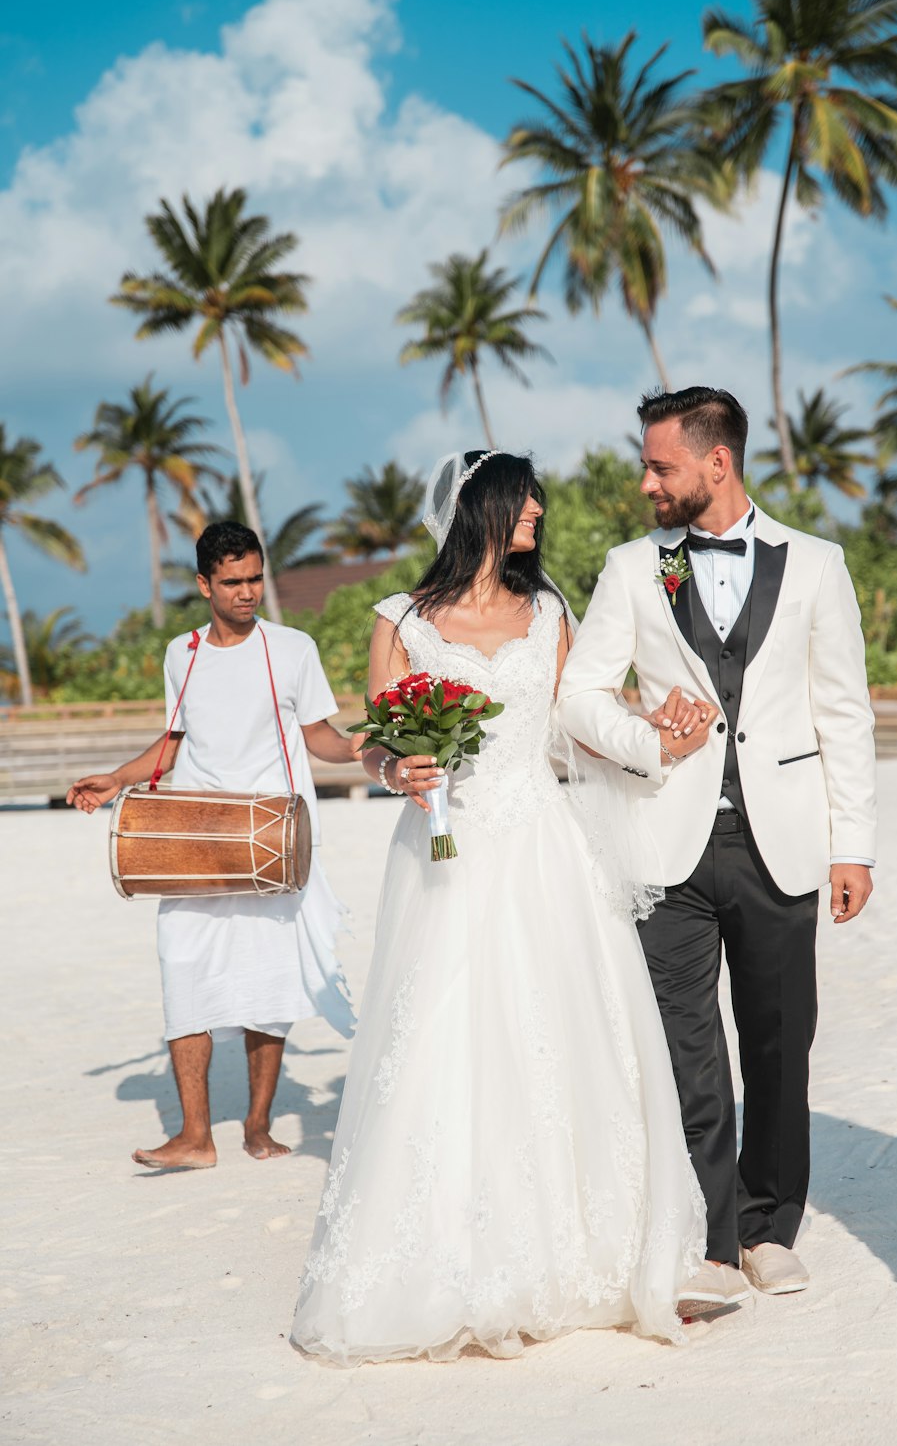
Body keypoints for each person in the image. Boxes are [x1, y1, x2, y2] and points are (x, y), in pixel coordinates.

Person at [292, 449, 719, 1367]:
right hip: (446, 854)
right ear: (478, 505)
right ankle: (452, 1259)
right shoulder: (399, 619)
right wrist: (396, 768)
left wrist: (658, 742)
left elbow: (579, 729)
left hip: (543, 848)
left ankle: (590, 1259)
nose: (537, 507)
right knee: (448, 1037)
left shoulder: (552, 611)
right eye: (522, 495)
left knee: (564, 1035)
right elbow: (375, 737)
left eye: (536, 497)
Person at [557, 386, 877, 1305]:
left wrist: (852, 844)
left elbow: (845, 713)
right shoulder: (629, 568)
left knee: (781, 1040)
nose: (646, 480)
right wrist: (649, 736)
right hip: (668, 842)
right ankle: (710, 1233)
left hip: (783, 841)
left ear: (716, 463)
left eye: (661, 465)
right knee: (683, 1045)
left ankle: (771, 1226)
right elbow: (578, 695)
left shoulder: (817, 565)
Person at [67, 521, 359, 1171]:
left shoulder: (292, 648)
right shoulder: (184, 653)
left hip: (268, 842)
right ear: (204, 583)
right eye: (233, 582)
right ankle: (196, 1136)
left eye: (256, 577)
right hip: (195, 847)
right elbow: (172, 744)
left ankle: (257, 1126)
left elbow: (320, 735)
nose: (248, 592)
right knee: (184, 972)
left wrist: (359, 745)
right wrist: (117, 778)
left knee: (269, 985)